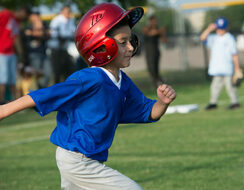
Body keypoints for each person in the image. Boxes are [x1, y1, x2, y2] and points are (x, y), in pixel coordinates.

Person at [0, 3, 176, 190]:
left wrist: (162, 103)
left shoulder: (122, 81)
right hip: (77, 161)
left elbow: (149, 112)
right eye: (123, 42)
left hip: (85, 159)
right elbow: (45, 94)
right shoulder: (90, 79)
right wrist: (3, 109)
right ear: (101, 46)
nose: (131, 47)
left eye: (131, 40)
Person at [200, 17, 242, 110]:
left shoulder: (230, 38)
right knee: (214, 87)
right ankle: (213, 103)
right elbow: (202, 38)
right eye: (219, 28)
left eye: (222, 28)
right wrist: (209, 29)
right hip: (217, 68)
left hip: (227, 67)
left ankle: (235, 102)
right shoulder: (214, 38)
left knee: (230, 86)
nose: (220, 30)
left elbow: (234, 54)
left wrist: (237, 68)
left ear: (227, 28)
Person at [0, 7, 31, 104]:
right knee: (3, 79)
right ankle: (1, 102)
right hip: (2, 51)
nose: (24, 18)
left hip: (12, 53)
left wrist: (21, 54)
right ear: (21, 11)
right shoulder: (6, 14)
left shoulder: (17, 22)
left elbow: (16, 39)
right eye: (24, 15)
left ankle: (15, 102)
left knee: (13, 79)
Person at [48, 5, 76, 83]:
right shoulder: (57, 20)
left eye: (69, 12)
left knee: (68, 71)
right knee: (57, 72)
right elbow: (53, 33)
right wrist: (63, 37)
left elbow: (73, 32)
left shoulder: (70, 20)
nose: (68, 13)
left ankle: (66, 90)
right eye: (66, 12)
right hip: (56, 50)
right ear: (62, 12)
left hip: (64, 50)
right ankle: (56, 92)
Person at [24, 11, 51, 88]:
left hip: (44, 53)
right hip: (34, 54)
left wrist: (36, 32)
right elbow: (27, 33)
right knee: (38, 74)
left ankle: (42, 90)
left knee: (48, 73)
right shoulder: (29, 26)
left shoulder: (44, 24)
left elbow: (49, 34)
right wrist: (41, 33)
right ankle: (38, 93)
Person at [142, 15, 167, 88]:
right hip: (149, 52)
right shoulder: (147, 28)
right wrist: (160, 31)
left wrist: (163, 33)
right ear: (150, 21)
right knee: (151, 69)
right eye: (153, 21)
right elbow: (149, 33)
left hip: (156, 51)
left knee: (156, 69)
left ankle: (158, 82)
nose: (155, 22)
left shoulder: (158, 29)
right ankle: (156, 82)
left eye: (156, 21)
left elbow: (164, 41)